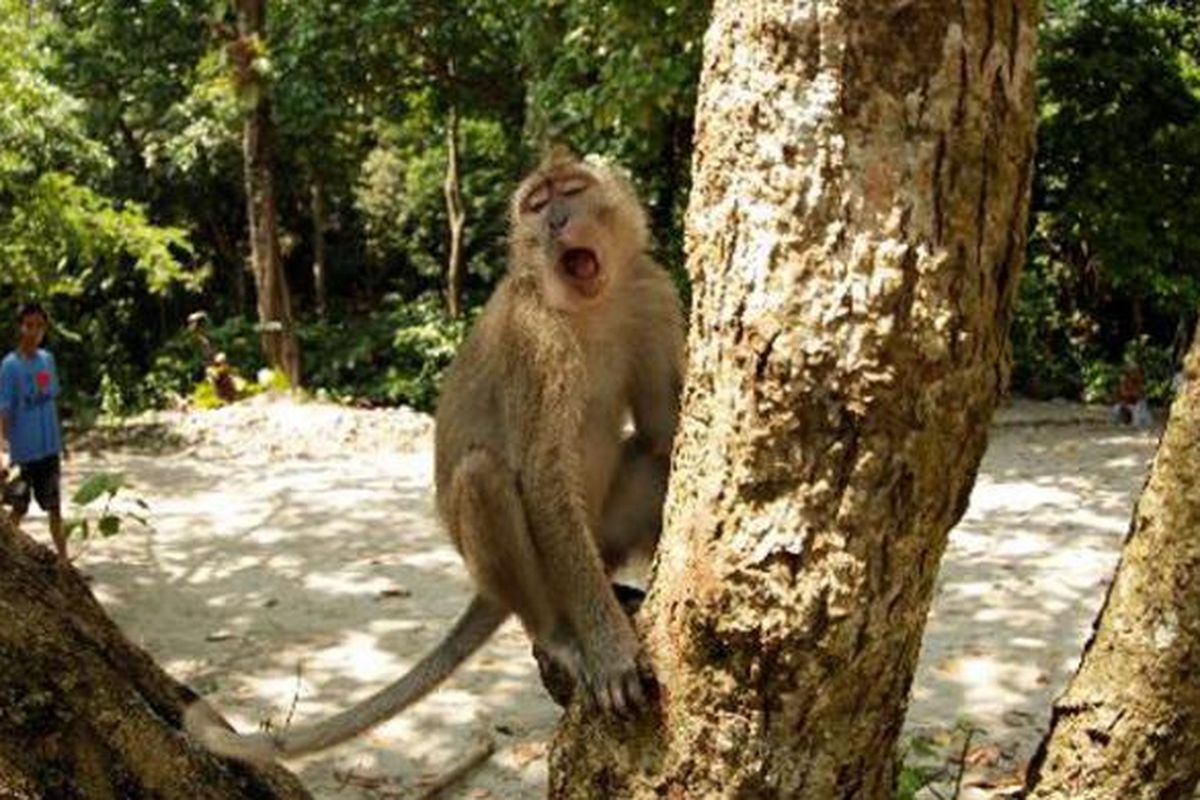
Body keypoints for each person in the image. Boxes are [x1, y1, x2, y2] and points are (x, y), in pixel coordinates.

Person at [0, 302, 66, 560]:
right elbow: (3, 409)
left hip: (48, 449)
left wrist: (60, 440)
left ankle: (64, 562)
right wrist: (3, 448)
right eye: (29, 325)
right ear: (20, 327)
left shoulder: (47, 361)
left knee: (55, 508)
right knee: (17, 509)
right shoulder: (9, 366)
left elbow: (51, 398)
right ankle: (7, 562)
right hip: (22, 452)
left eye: (39, 326)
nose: (34, 331)